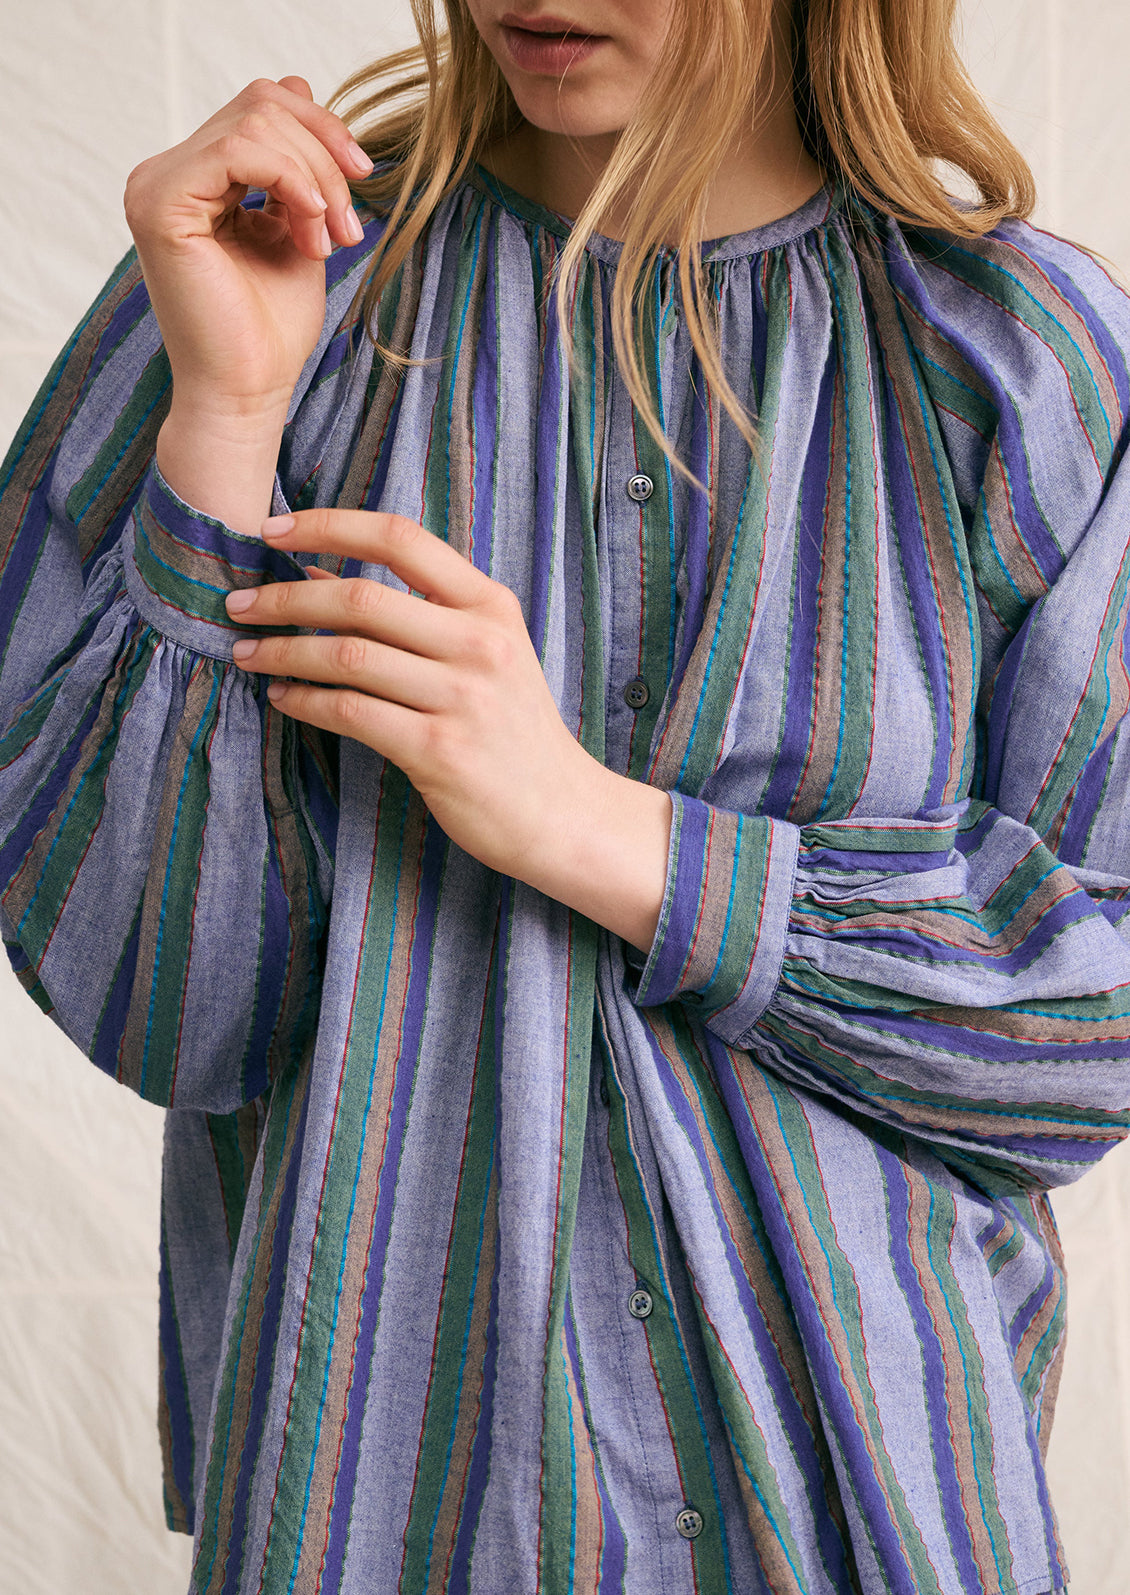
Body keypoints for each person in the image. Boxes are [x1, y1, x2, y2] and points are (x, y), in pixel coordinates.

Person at [2, 0, 1129, 1589]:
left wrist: (606, 833)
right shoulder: (262, 290)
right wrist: (231, 426)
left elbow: (1092, 1027)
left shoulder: (1016, 366)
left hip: (866, 1510)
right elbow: (164, 1008)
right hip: (390, 1519)